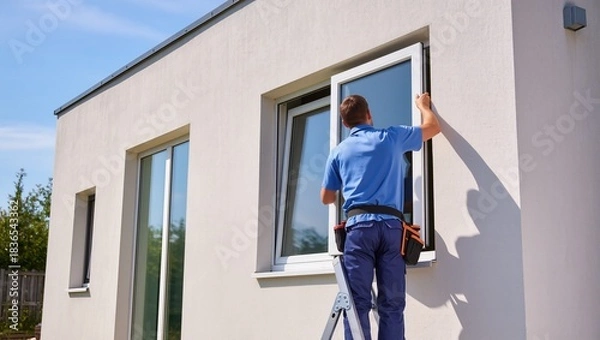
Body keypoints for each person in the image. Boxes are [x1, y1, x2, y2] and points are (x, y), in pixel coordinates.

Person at [320, 93, 441, 339]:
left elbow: (326, 197)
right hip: (391, 230)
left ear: (345, 124)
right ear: (369, 115)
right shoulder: (391, 137)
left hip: (359, 231)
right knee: (392, 305)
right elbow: (433, 127)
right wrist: (423, 106)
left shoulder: (338, 152)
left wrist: (348, 182)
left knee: (356, 305)